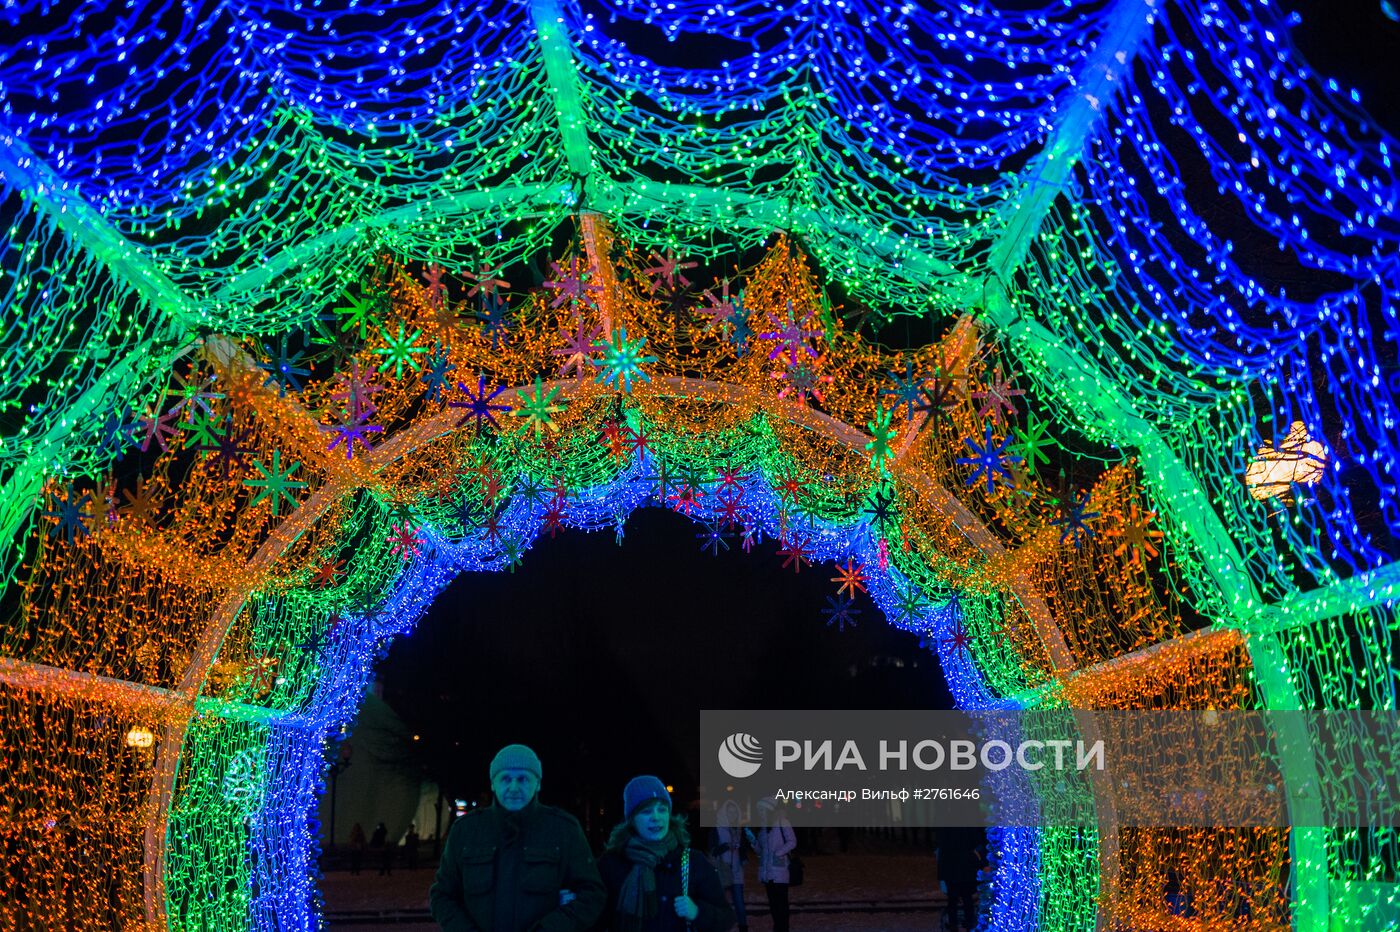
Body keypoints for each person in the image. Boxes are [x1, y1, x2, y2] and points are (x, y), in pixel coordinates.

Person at [430, 743, 605, 931]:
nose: (514, 787)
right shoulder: (466, 831)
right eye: (505, 778)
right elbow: (442, 895)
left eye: (523, 779)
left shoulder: (564, 830)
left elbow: (592, 894)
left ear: (538, 783)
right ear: (493, 784)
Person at [596, 775, 734, 932]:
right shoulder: (611, 863)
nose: (656, 817)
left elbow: (726, 918)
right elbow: (594, 918)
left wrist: (697, 912)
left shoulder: (693, 861)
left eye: (662, 809)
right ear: (632, 819)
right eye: (647, 811)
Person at [708, 800, 754, 932]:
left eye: (735, 812)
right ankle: (719, 927)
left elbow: (743, 848)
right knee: (721, 903)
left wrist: (744, 857)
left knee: (739, 903)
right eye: (729, 812)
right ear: (724, 813)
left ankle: (743, 928)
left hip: (737, 871)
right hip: (722, 870)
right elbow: (712, 850)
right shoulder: (717, 828)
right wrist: (726, 846)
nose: (732, 815)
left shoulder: (739, 829)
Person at [756, 796, 796, 932]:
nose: (760, 813)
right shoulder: (762, 827)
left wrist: (778, 853)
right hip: (767, 874)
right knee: (773, 906)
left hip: (779, 871)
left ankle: (783, 929)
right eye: (759, 810)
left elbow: (792, 841)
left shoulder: (781, 822)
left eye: (762, 810)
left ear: (768, 809)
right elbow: (761, 851)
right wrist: (753, 843)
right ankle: (777, 929)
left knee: (781, 906)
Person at [936, 826, 986, 932]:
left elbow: (941, 843)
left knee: (952, 899)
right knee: (967, 898)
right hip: (965, 866)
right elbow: (976, 840)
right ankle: (969, 924)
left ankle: (954, 924)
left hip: (950, 867)